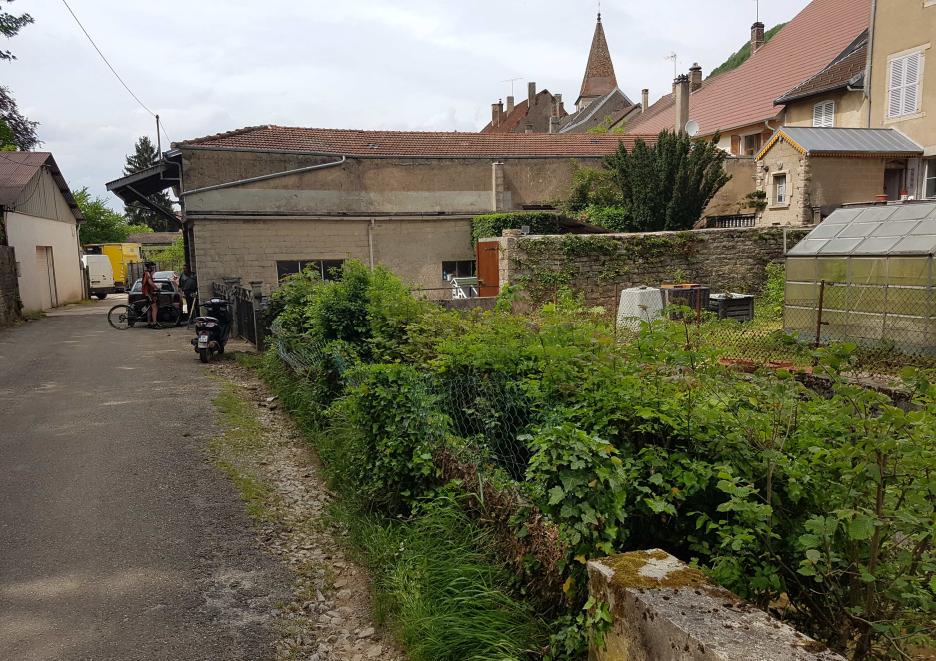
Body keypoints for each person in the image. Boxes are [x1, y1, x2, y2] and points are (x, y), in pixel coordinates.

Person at [141, 262, 160, 328]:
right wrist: (157, 288)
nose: (153, 268)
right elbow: (150, 282)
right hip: (147, 293)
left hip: (147, 292)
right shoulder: (147, 273)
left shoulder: (147, 273)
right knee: (155, 307)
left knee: (149, 309)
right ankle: (154, 323)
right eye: (153, 267)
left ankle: (149, 323)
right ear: (149, 267)